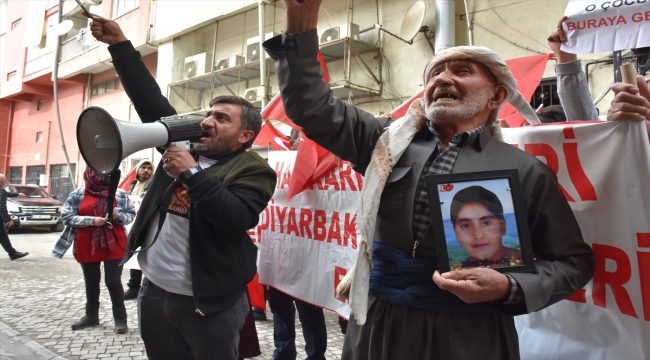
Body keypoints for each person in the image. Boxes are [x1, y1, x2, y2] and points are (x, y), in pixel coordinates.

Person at [263, 1, 595, 359]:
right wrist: (301, 20)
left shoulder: (526, 171)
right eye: (434, 73)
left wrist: (509, 286)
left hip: (470, 336)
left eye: (463, 71)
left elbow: (572, 262)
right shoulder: (382, 143)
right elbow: (310, 106)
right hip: (378, 325)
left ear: (496, 95)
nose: (442, 79)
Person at [88, 14, 276, 360]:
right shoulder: (181, 144)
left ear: (245, 135)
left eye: (222, 118)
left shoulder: (254, 169)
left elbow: (236, 217)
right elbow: (150, 101)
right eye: (209, 113)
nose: (207, 121)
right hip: (155, 290)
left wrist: (192, 174)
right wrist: (119, 44)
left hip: (207, 301)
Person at [267, 130, 328, 360]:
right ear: (291, 142)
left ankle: (316, 356)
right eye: (300, 140)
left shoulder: (324, 171)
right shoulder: (274, 170)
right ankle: (283, 353)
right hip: (279, 256)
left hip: (308, 259)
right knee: (280, 311)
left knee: (311, 314)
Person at [52, 167, 135, 334]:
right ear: (92, 175)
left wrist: (118, 217)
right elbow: (67, 217)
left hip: (114, 242)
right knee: (91, 281)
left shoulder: (119, 193)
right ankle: (91, 316)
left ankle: (120, 318)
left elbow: (131, 215)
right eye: (101, 174)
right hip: (86, 243)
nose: (105, 177)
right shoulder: (78, 194)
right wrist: (91, 220)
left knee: (113, 281)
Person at [449, 186, 520, 268]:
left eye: (486, 223)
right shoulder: (456, 271)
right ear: (455, 232)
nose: (478, 236)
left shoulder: (525, 261)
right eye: (466, 225)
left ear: (502, 227)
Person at [123, 159, 153, 301]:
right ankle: (133, 287)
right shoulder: (133, 184)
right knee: (133, 254)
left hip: (148, 225)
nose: (146, 170)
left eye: (149, 168)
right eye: (143, 167)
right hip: (133, 224)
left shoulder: (154, 185)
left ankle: (149, 287)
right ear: (138, 169)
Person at [0, 174, 28, 260]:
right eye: (5, 180)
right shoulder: (1, 191)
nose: (5, 182)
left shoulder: (2, 191)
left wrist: (17, 194)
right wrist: (8, 220)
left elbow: (5, 193)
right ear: (2, 181)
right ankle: (12, 253)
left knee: (2, 235)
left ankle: (12, 253)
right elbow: (1, 207)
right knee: (2, 235)